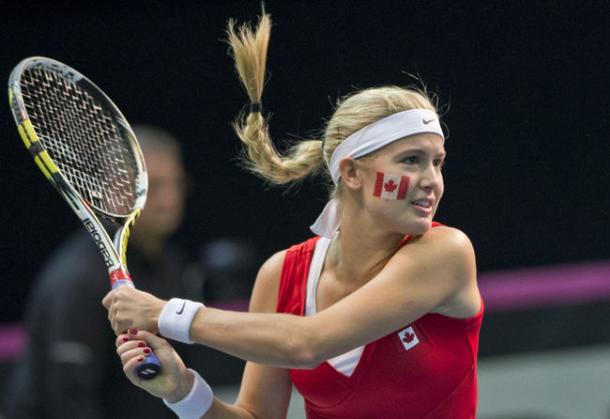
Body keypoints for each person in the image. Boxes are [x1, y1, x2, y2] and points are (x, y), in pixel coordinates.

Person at [103, 12, 483, 419]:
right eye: (412, 160)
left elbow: (308, 343)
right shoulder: (281, 276)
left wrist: (166, 314)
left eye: (437, 163)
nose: (432, 181)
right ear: (351, 172)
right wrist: (182, 391)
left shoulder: (446, 253)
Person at [2, 125, 211, 419]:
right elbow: (68, 402)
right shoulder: (78, 280)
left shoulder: (172, 263)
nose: (169, 201)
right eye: (154, 187)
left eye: (175, 184)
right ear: (113, 190)